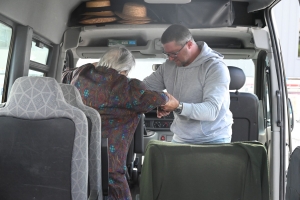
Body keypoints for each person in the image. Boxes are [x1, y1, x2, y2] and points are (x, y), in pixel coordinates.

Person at [65, 46, 169, 200]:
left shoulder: (79, 74)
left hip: (74, 159)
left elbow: (65, 74)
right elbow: (158, 99)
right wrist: (168, 100)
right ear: (125, 71)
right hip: (110, 168)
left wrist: (95, 66)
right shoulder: (127, 87)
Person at [143, 24, 233, 144]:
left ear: (189, 44)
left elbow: (211, 111)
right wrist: (162, 101)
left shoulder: (215, 67)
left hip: (213, 139)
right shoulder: (168, 66)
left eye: (174, 53)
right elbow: (144, 88)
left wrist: (178, 106)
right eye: (167, 54)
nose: (170, 58)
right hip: (181, 137)